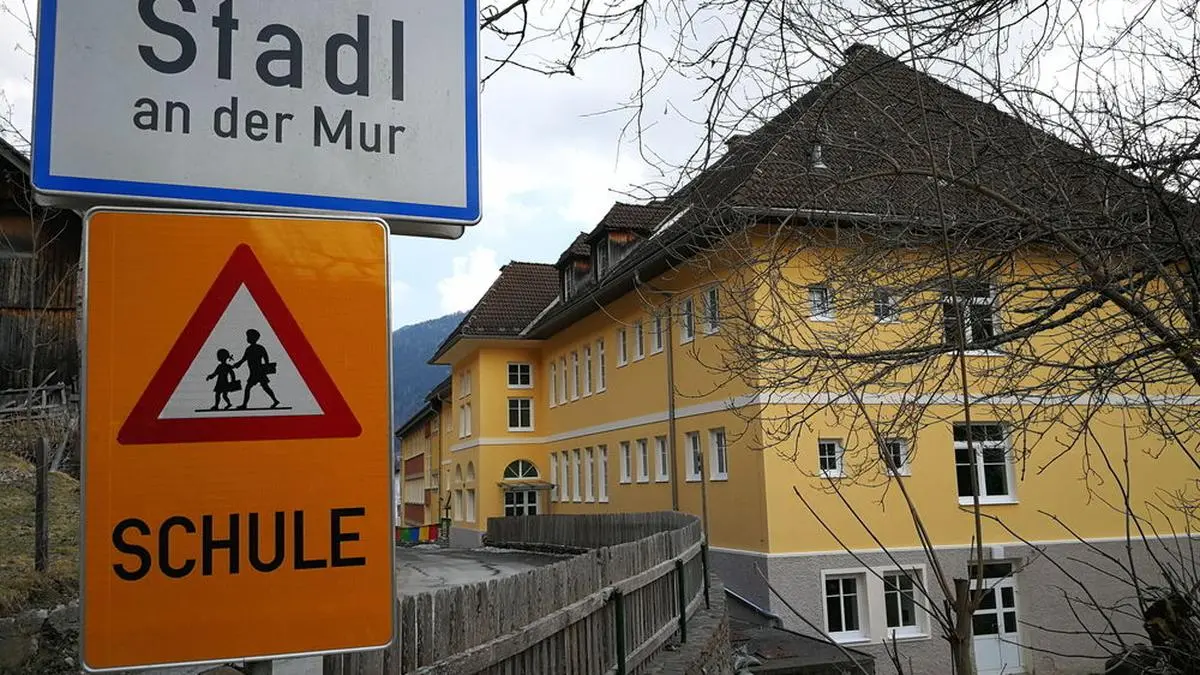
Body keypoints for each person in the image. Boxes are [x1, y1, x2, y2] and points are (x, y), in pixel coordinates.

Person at [232, 329, 280, 409]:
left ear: (253, 338)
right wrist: (237, 364)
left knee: (249, 388)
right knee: (265, 387)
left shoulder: (257, 348)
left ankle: (244, 404)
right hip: (255, 372)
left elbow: (265, 358)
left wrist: (267, 366)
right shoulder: (250, 349)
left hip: (257, 372)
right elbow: (244, 359)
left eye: (248, 337)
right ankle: (275, 400)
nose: (247, 338)